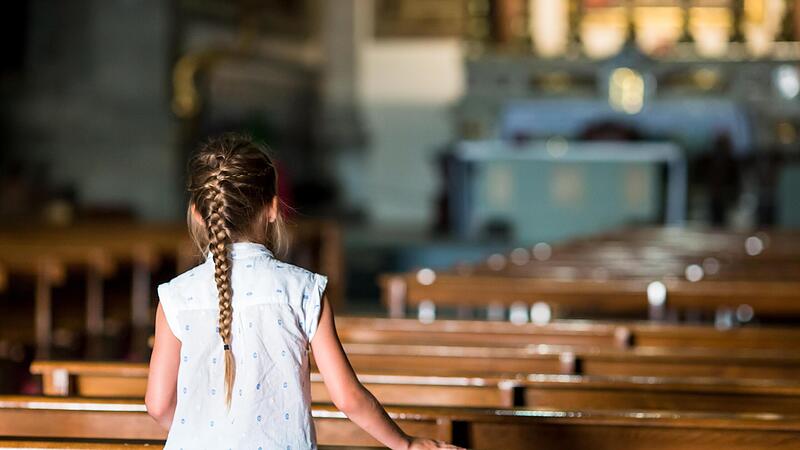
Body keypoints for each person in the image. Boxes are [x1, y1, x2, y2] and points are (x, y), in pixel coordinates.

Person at [145, 134, 462, 450]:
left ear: (198, 215)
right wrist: (405, 445)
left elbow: (158, 405)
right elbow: (348, 398)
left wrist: (207, 435)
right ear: (272, 208)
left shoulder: (175, 298)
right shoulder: (304, 291)